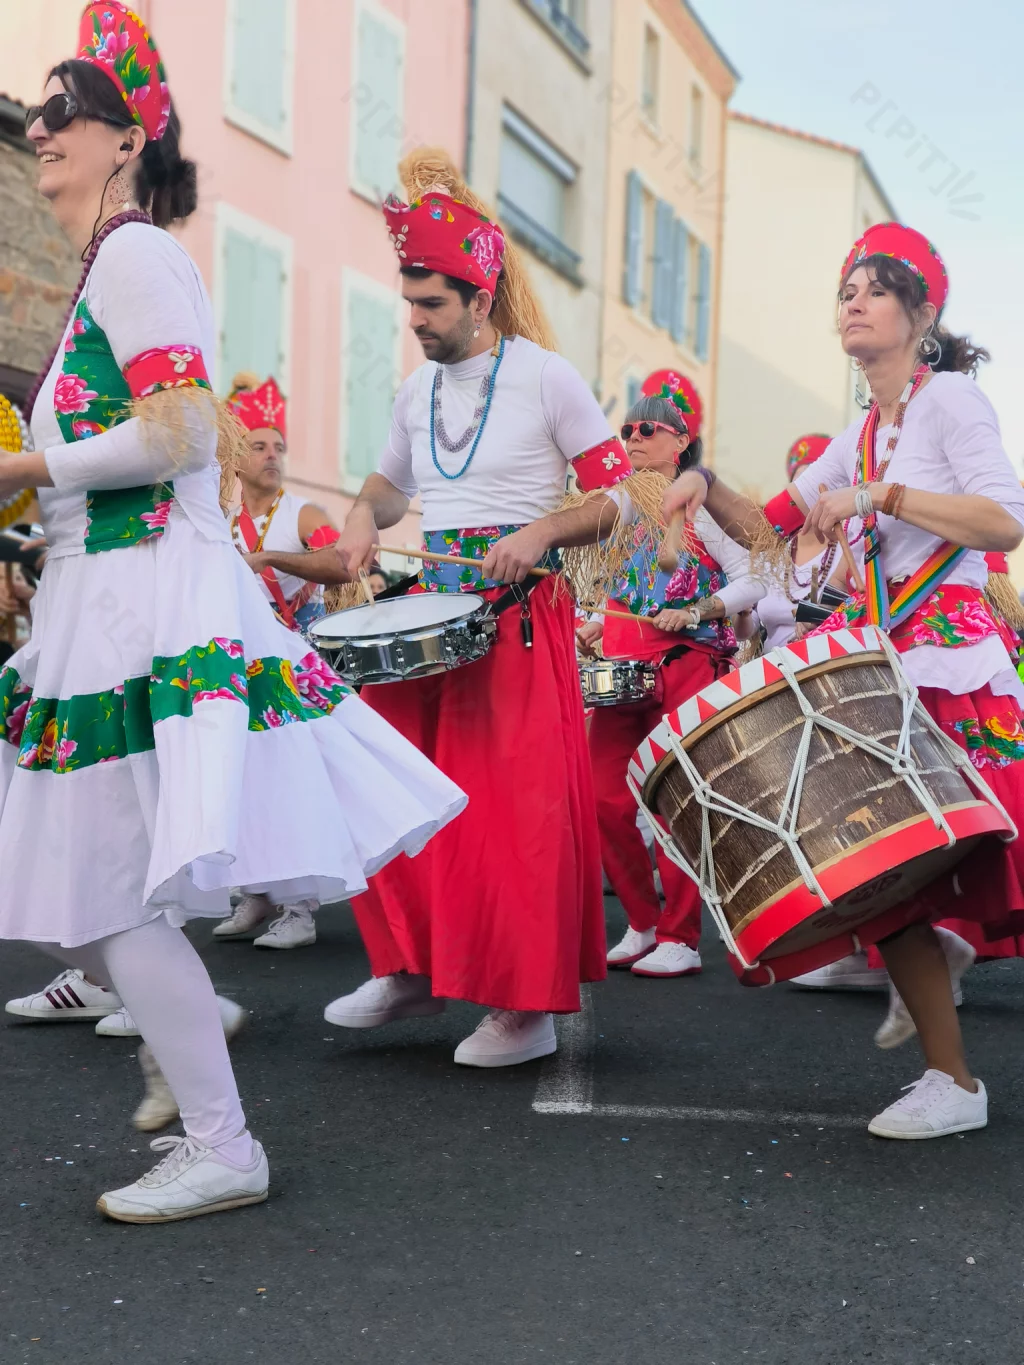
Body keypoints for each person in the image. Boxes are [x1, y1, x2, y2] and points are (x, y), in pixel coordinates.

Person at [0, 5, 464, 1222]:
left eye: (69, 107)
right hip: (104, 603)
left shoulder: (140, 256)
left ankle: (219, 1133)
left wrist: (25, 471)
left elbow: (182, 431)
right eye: (41, 107)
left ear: (123, 137)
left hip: (148, 598)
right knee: (76, 885)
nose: (41, 126)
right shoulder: (107, 265)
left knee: (101, 889)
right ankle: (192, 1038)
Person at [662, 221, 1024, 1140]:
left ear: (922, 314)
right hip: (889, 675)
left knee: (987, 862)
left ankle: (952, 968)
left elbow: (1002, 522)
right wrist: (703, 482)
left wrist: (884, 499)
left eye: (875, 287)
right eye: (846, 289)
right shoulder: (861, 433)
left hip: (956, 666)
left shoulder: (949, 405)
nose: (852, 300)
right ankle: (954, 1081)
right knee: (891, 876)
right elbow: (770, 531)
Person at [325, 149, 632, 1066]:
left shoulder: (547, 377)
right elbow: (388, 486)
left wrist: (541, 532)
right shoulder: (416, 391)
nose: (414, 319)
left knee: (509, 819)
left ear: (478, 297)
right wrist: (357, 517)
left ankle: (523, 1010)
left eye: (430, 304)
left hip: (515, 618)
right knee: (387, 791)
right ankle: (411, 967)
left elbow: (617, 493)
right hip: (428, 617)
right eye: (409, 301)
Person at [579, 371, 763, 977]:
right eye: (626, 429)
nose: (632, 438)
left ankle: (681, 938)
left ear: (679, 442)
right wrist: (597, 627)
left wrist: (700, 608)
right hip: (623, 672)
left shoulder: (702, 508)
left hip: (687, 666)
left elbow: (756, 577)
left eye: (647, 430)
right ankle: (641, 921)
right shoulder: (621, 507)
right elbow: (624, 593)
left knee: (676, 801)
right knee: (603, 798)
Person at [212, 373, 341, 949]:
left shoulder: (302, 513)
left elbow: (344, 564)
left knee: (292, 781)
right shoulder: (215, 513)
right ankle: (255, 894)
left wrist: (267, 556)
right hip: (233, 665)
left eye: (278, 447)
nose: (271, 456)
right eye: (259, 446)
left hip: (290, 666)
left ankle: (301, 907)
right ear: (234, 457)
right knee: (240, 781)